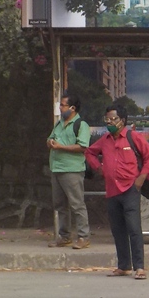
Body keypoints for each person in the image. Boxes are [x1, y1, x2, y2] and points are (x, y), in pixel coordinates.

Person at [85, 105, 149, 280]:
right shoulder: (105, 140)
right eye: (107, 119)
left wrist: (141, 178)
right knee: (117, 229)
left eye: (113, 119)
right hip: (112, 190)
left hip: (130, 189)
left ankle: (139, 267)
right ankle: (124, 266)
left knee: (134, 228)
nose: (109, 122)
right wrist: (98, 168)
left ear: (122, 121)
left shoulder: (133, 137)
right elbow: (89, 152)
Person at [46, 92, 91, 249]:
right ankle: (64, 236)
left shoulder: (81, 125)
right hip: (56, 168)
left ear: (72, 108)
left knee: (77, 204)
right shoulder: (59, 124)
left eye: (63, 105)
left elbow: (83, 146)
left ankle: (83, 236)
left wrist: (61, 147)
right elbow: (50, 138)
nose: (60, 108)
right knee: (60, 205)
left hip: (72, 169)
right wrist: (50, 142)